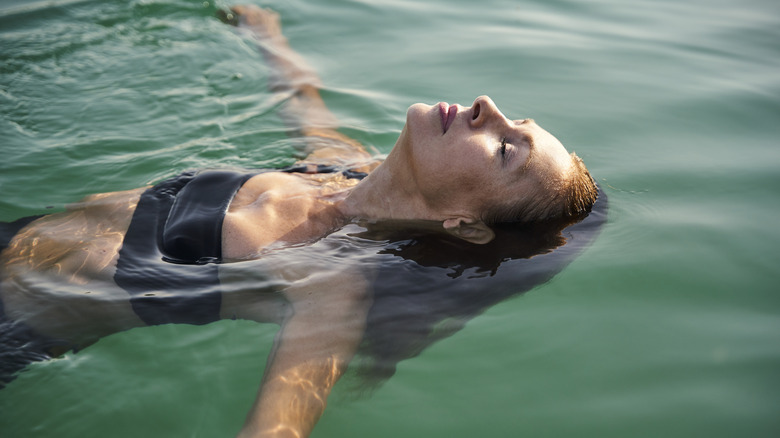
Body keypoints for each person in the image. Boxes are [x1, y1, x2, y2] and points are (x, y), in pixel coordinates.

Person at [0, 5, 601, 438]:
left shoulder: (332, 286)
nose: (486, 107)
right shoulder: (336, 168)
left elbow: (279, 426)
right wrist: (265, 32)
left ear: (466, 225)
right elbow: (300, 96)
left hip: (14, 322)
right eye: (511, 119)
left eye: (504, 149)